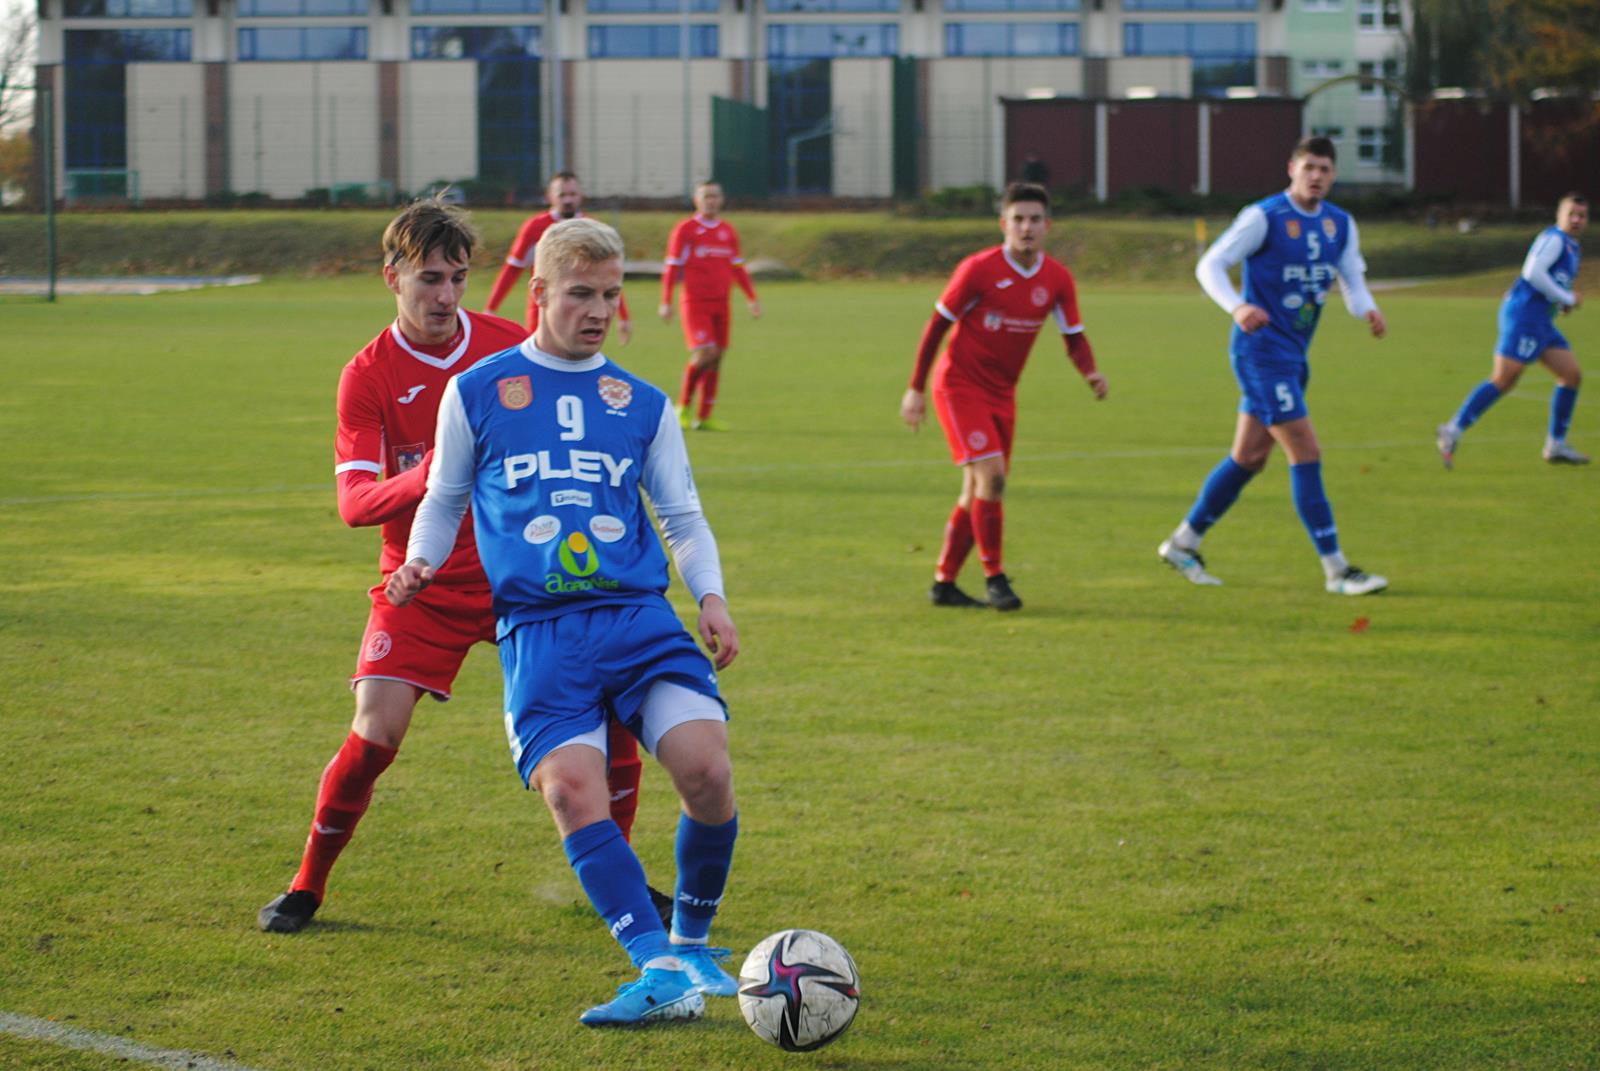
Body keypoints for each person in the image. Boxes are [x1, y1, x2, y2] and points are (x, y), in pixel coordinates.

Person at [258, 200, 655, 935]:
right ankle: (307, 884)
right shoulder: (369, 376)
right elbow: (355, 502)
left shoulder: (511, 346)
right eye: (429, 279)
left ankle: (621, 885)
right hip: (423, 582)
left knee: (613, 712)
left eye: (458, 279)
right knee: (375, 731)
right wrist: (439, 473)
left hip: (528, 581)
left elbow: (591, 417)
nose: (445, 296)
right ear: (392, 278)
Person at [388, 217, 742, 1027]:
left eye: (612, 295)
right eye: (582, 293)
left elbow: (682, 516)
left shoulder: (643, 404)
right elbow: (444, 497)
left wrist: (711, 597)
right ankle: (657, 969)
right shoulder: (477, 390)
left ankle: (691, 941)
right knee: (573, 789)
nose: (599, 310)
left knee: (707, 770)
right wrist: (421, 561)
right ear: (541, 292)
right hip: (540, 628)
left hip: (637, 615)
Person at [1156, 136, 1389, 596]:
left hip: (1293, 356)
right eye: (1309, 168)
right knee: (1305, 450)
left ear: (1333, 174)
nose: (1316, 176)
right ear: (1291, 169)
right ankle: (1337, 571)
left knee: (1249, 457)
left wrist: (1368, 310)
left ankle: (1183, 543)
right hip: (1260, 354)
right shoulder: (1265, 217)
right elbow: (1211, 265)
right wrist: (1238, 307)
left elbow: (1352, 281)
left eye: (1324, 168)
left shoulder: (1340, 224)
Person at [899, 181, 1107, 612]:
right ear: (1003, 224)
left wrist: (1091, 373)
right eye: (1018, 219)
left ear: (1047, 225)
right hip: (958, 386)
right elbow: (936, 327)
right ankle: (995, 578)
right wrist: (915, 388)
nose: (1026, 227)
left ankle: (944, 584)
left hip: (1002, 394)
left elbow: (1073, 336)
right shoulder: (977, 269)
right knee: (991, 478)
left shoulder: (1056, 278)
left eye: (1034, 219)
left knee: (976, 491)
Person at [1436, 193, 1588, 467]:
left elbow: (1551, 282)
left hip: (1541, 320)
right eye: (1571, 214)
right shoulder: (1554, 239)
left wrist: (1561, 300)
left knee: (1571, 374)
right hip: (1525, 316)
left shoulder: (1572, 248)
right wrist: (1566, 298)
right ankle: (1452, 429)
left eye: (1582, 215)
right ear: (1559, 215)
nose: (1576, 219)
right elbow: (1533, 272)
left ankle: (1556, 445)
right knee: (1504, 378)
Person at [484, 171, 634, 345]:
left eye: (572, 194)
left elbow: (607, 278)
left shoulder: (592, 228)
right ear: (550, 197)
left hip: (583, 309)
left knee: (579, 358)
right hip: (542, 309)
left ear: (581, 196)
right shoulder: (535, 227)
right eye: (562, 195)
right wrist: (491, 308)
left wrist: (624, 316)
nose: (568, 200)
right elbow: (512, 269)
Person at [658, 180, 761, 431]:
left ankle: (704, 416)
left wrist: (751, 298)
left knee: (717, 357)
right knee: (706, 353)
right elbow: (672, 266)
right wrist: (666, 300)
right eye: (706, 197)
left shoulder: (727, 231)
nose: (711, 201)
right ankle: (682, 406)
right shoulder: (686, 229)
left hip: (721, 303)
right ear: (697, 200)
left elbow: (737, 267)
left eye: (715, 196)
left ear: (721, 199)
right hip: (694, 302)